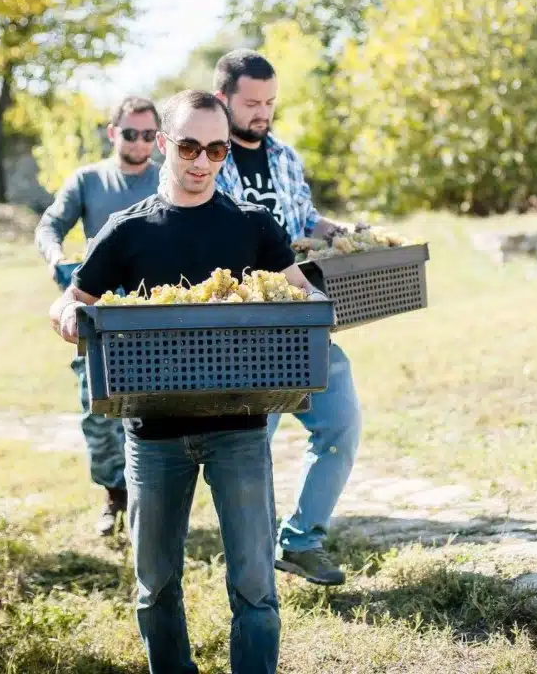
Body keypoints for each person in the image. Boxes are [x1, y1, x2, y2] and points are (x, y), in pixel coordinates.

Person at [49, 89, 324, 674]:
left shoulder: (253, 227)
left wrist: (317, 301)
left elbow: (300, 292)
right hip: (153, 435)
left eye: (218, 149)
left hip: (241, 429)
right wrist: (69, 315)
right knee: (155, 586)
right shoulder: (128, 231)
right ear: (164, 146)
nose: (203, 162)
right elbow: (69, 300)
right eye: (190, 147)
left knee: (255, 586)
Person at [212, 49, 363, 587]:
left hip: (302, 319)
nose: (263, 112)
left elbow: (302, 217)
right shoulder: (206, 156)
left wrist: (339, 230)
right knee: (251, 452)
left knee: (340, 426)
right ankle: (250, 565)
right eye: (251, 103)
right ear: (223, 98)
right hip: (246, 331)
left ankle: (301, 542)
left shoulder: (284, 155)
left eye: (270, 102)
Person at [34, 96, 162, 536]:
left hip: (152, 314)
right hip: (97, 312)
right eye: (131, 133)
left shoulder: (168, 181)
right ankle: (114, 494)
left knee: (150, 407)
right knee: (98, 407)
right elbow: (50, 225)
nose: (140, 143)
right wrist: (55, 257)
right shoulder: (88, 180)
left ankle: (149, 499)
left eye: (149, 135)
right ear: (113, 133)